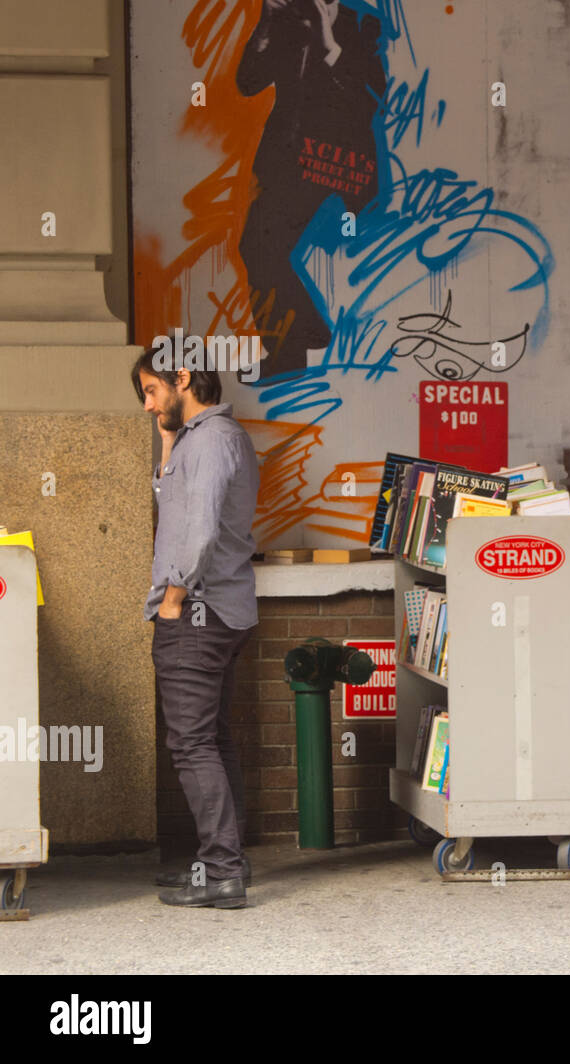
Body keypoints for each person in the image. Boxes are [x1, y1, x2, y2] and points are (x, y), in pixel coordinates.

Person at [131, 352, 261, 906]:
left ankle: (223, 871)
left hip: (196, 614)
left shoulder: (209, 440)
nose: (148, 403)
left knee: (190, 743)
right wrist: (166, 438)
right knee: (213, 737)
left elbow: (200, 528)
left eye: (152, 390)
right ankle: (225, 858)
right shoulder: (203, 438)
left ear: (182, 379)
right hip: (222, 612)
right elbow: (175, 503)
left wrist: (173, 601)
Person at [236, 0, 386, 373]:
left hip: (339, 169)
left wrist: (327, 40)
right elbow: (248, 83)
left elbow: (369, 98)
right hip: (286, 165)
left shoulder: (363, 21)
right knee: (255, 247)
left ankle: (295, 349)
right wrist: (266, 24)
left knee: (266, 248)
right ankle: (305, 335)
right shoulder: (286, 21)